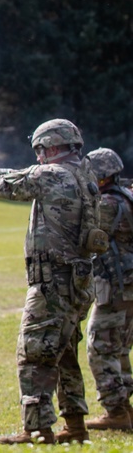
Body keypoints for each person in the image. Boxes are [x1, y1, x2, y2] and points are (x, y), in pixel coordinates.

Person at [0, 119, 101, 445]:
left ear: (49, 148)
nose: (38, 158)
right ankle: (75, 426)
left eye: (41, 151)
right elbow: (23, 177)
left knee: (33, 354)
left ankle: (37, 429)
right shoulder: (84, 175)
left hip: (52, 282)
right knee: (64, 355)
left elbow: (11, 185)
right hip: (78, 281)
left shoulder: (51, 175)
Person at [84, 147, 133, 431]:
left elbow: (83, 232)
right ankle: (124, 408)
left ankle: (115, 411)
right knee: (119, 348)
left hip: (114, 287)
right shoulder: (127, 198)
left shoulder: (107, 204)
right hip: (128, 287)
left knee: (101, 348)